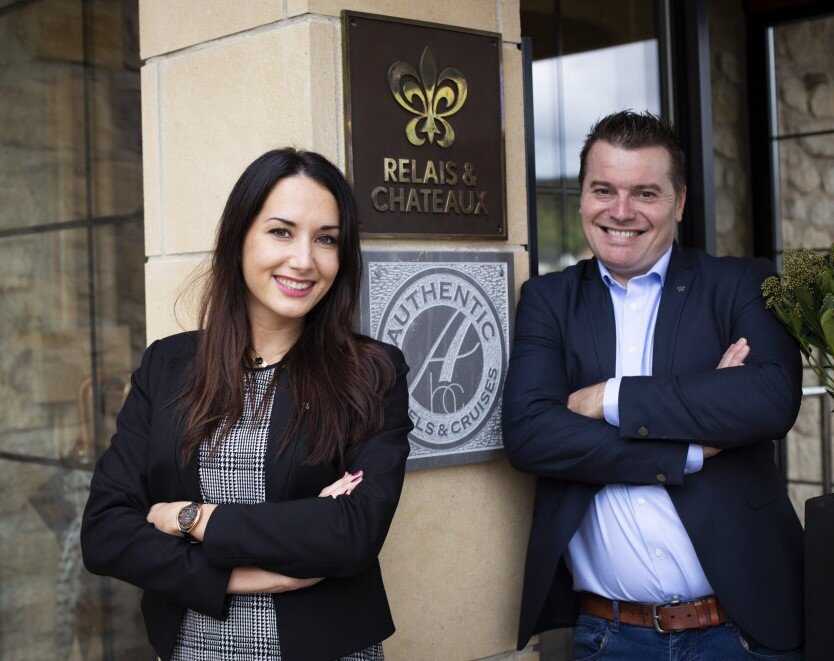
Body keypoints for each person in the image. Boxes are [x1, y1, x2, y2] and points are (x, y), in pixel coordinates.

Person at [81, 148, 413, 661]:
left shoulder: (370, 373)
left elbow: (352, 533)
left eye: (326, 239)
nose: (304, 260)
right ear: (239, 237)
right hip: (191, 649)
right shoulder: (168, 365)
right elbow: (105, 532)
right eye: (281, 232)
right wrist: (237, 576)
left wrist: (191, 518)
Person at [502, 111, 804, 659]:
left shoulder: (742, 283)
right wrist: (686, 446)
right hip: (609, 636)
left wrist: (607, 398)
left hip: (743, 629)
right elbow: (529, 434)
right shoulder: (549, 300)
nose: (621, 212)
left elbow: (770, 399)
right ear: (582, 197)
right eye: (603, 190)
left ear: (679, 202)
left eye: (645, 193)